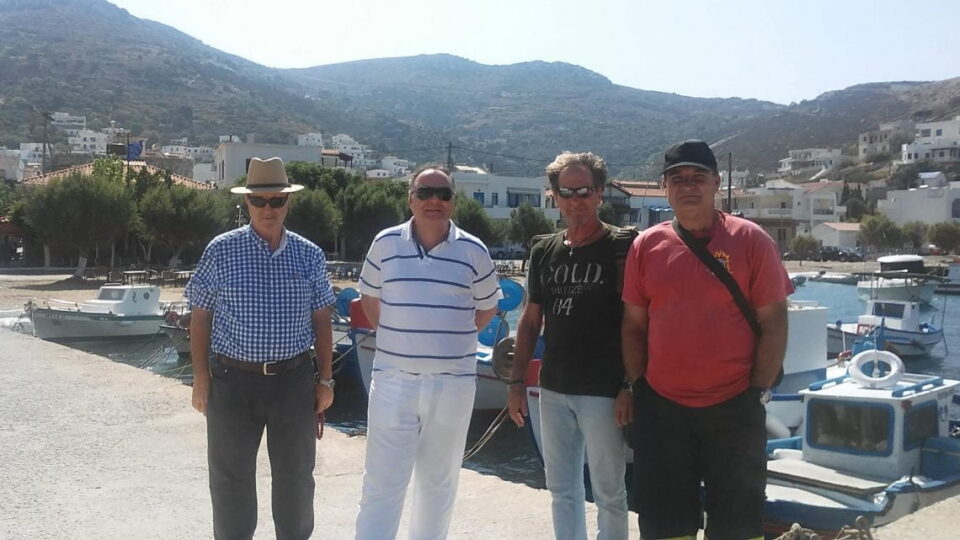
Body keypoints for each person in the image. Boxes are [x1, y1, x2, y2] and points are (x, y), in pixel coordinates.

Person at [620, 140, 792, 540]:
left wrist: (757, 393)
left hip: (735, 409)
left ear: (716, 182)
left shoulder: (751, 240)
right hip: (663, 412)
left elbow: (775, 323)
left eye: (698, 177)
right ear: (665, 187)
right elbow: (633, 325)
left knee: (737, 527)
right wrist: (638, 386)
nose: (688, 185)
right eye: (677, 178)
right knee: (664, 527)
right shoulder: (646, 245)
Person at [185, 156, 336, 540]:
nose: (268, 209)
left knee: (296, 478)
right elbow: (200, 316)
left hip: (293, 381)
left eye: (277, 200)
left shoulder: (309, 255)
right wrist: (200, 377)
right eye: (259, 200)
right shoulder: (221, 251)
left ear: (288, 202)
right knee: (230, 479)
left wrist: (326, 380)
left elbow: (322, 320)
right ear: (247, 202)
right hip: (232, 381)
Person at [354, 164, 501, 539]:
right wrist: (396, 337)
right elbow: (370, 297)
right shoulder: (385, 243)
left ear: (453, 201)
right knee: (381, 482)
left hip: (453, 383)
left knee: (439, 482)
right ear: (410, 199)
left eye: (443, 194)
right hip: (393, 380)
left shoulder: (474, 250)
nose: (434, 200)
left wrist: (450, 341)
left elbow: (487, 308)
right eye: (425, 193)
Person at [506, 152, 631, 540]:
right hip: (554, 388)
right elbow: (530, 321)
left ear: (599, 193)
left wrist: (629, 385)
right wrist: (516, 383)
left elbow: (639, 322)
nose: (576, 200)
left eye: (584, 191)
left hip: (604, 391)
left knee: (610, 492)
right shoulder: (544, 250)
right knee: (561, 490)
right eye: (567, 192)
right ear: (554, 196)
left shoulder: (623, 247)